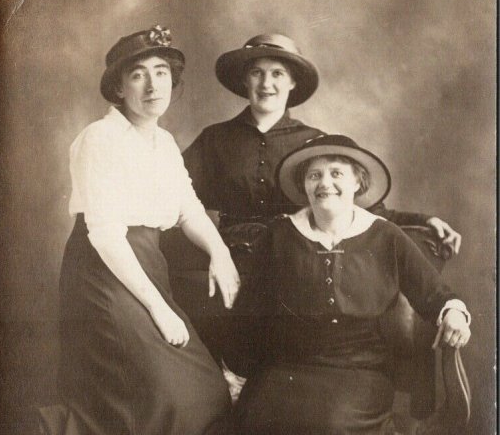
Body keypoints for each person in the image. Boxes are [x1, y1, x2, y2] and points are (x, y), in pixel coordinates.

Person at [222, 134, 470, 435]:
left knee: (333, 427)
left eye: (337, 172)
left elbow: (435, 292)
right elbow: (251, 312)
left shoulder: (386, 236)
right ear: (303, 188)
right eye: (314, 175)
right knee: (257, 419)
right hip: (290, 368)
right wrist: (235, 372)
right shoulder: (281, 234)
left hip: (360, 371)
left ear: (358, 182)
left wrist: (454, 314)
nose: (325, 183)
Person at [39, 25, 240, 435]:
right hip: (105, 276)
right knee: (171, 398)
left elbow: (186, 209)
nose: (152, 85)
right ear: (118, 87)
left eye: (161, 74)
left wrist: (219, 252)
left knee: (205, 391)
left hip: (145, 262)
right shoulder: (98, 140)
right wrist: (157, 306)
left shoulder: (162, 143)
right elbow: (105, 234)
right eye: (137, 74)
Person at [176, 33, 461, 361]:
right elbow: (174, 195)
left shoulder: (314, 144)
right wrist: (215, 252)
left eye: (278, 73)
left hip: (293, 259)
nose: (266, 83)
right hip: (229, 253)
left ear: (293, 82)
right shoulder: (215, 139)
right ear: (244, 79)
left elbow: (363, 207)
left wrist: (423, 221)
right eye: (257, 73)